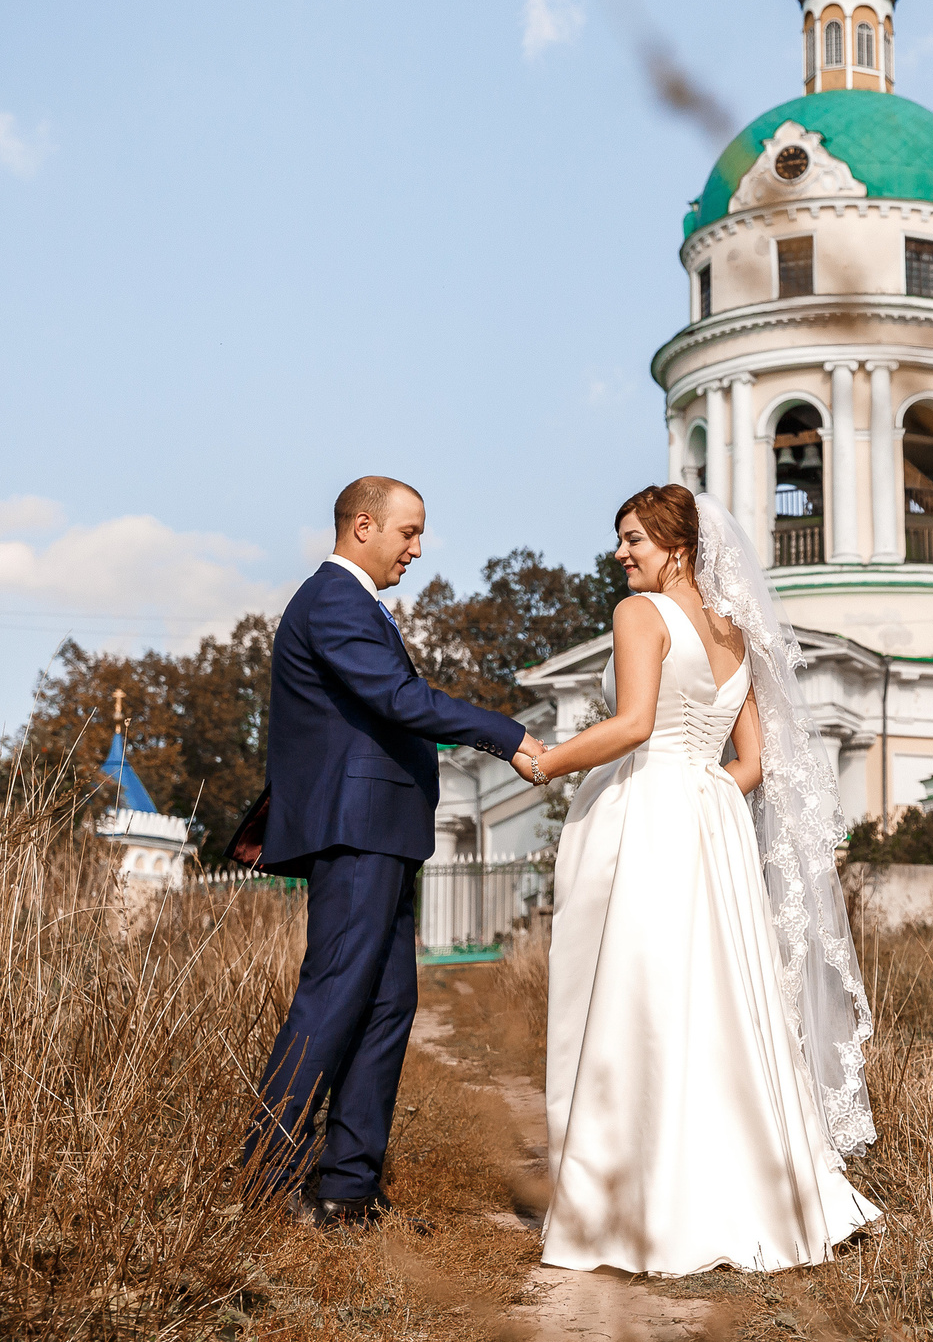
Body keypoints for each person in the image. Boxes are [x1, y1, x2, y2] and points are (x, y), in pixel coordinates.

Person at [533, 484, 877, 1275]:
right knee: (718, 996)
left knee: (634, 992)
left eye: (633, 540)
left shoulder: (639, 616)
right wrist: (707, 793)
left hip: (648, 811)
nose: (621, 554)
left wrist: (545, 763)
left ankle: (632, 1202)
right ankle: (753, 1186)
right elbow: (751, 764)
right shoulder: (734, 630)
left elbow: (632, 725)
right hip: (710, 821)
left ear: (676, 546)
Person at [241, 476, 548, 1228]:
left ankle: (346, 1188)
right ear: (363, 526)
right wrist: (503, 733)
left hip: (381, 830)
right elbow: (397, 699)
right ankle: (258, 1179)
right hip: (355, 831)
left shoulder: (353, 604)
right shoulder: (334, 600)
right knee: (334, 998)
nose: (418, 547)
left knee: (385, 1004)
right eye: (408, 532)